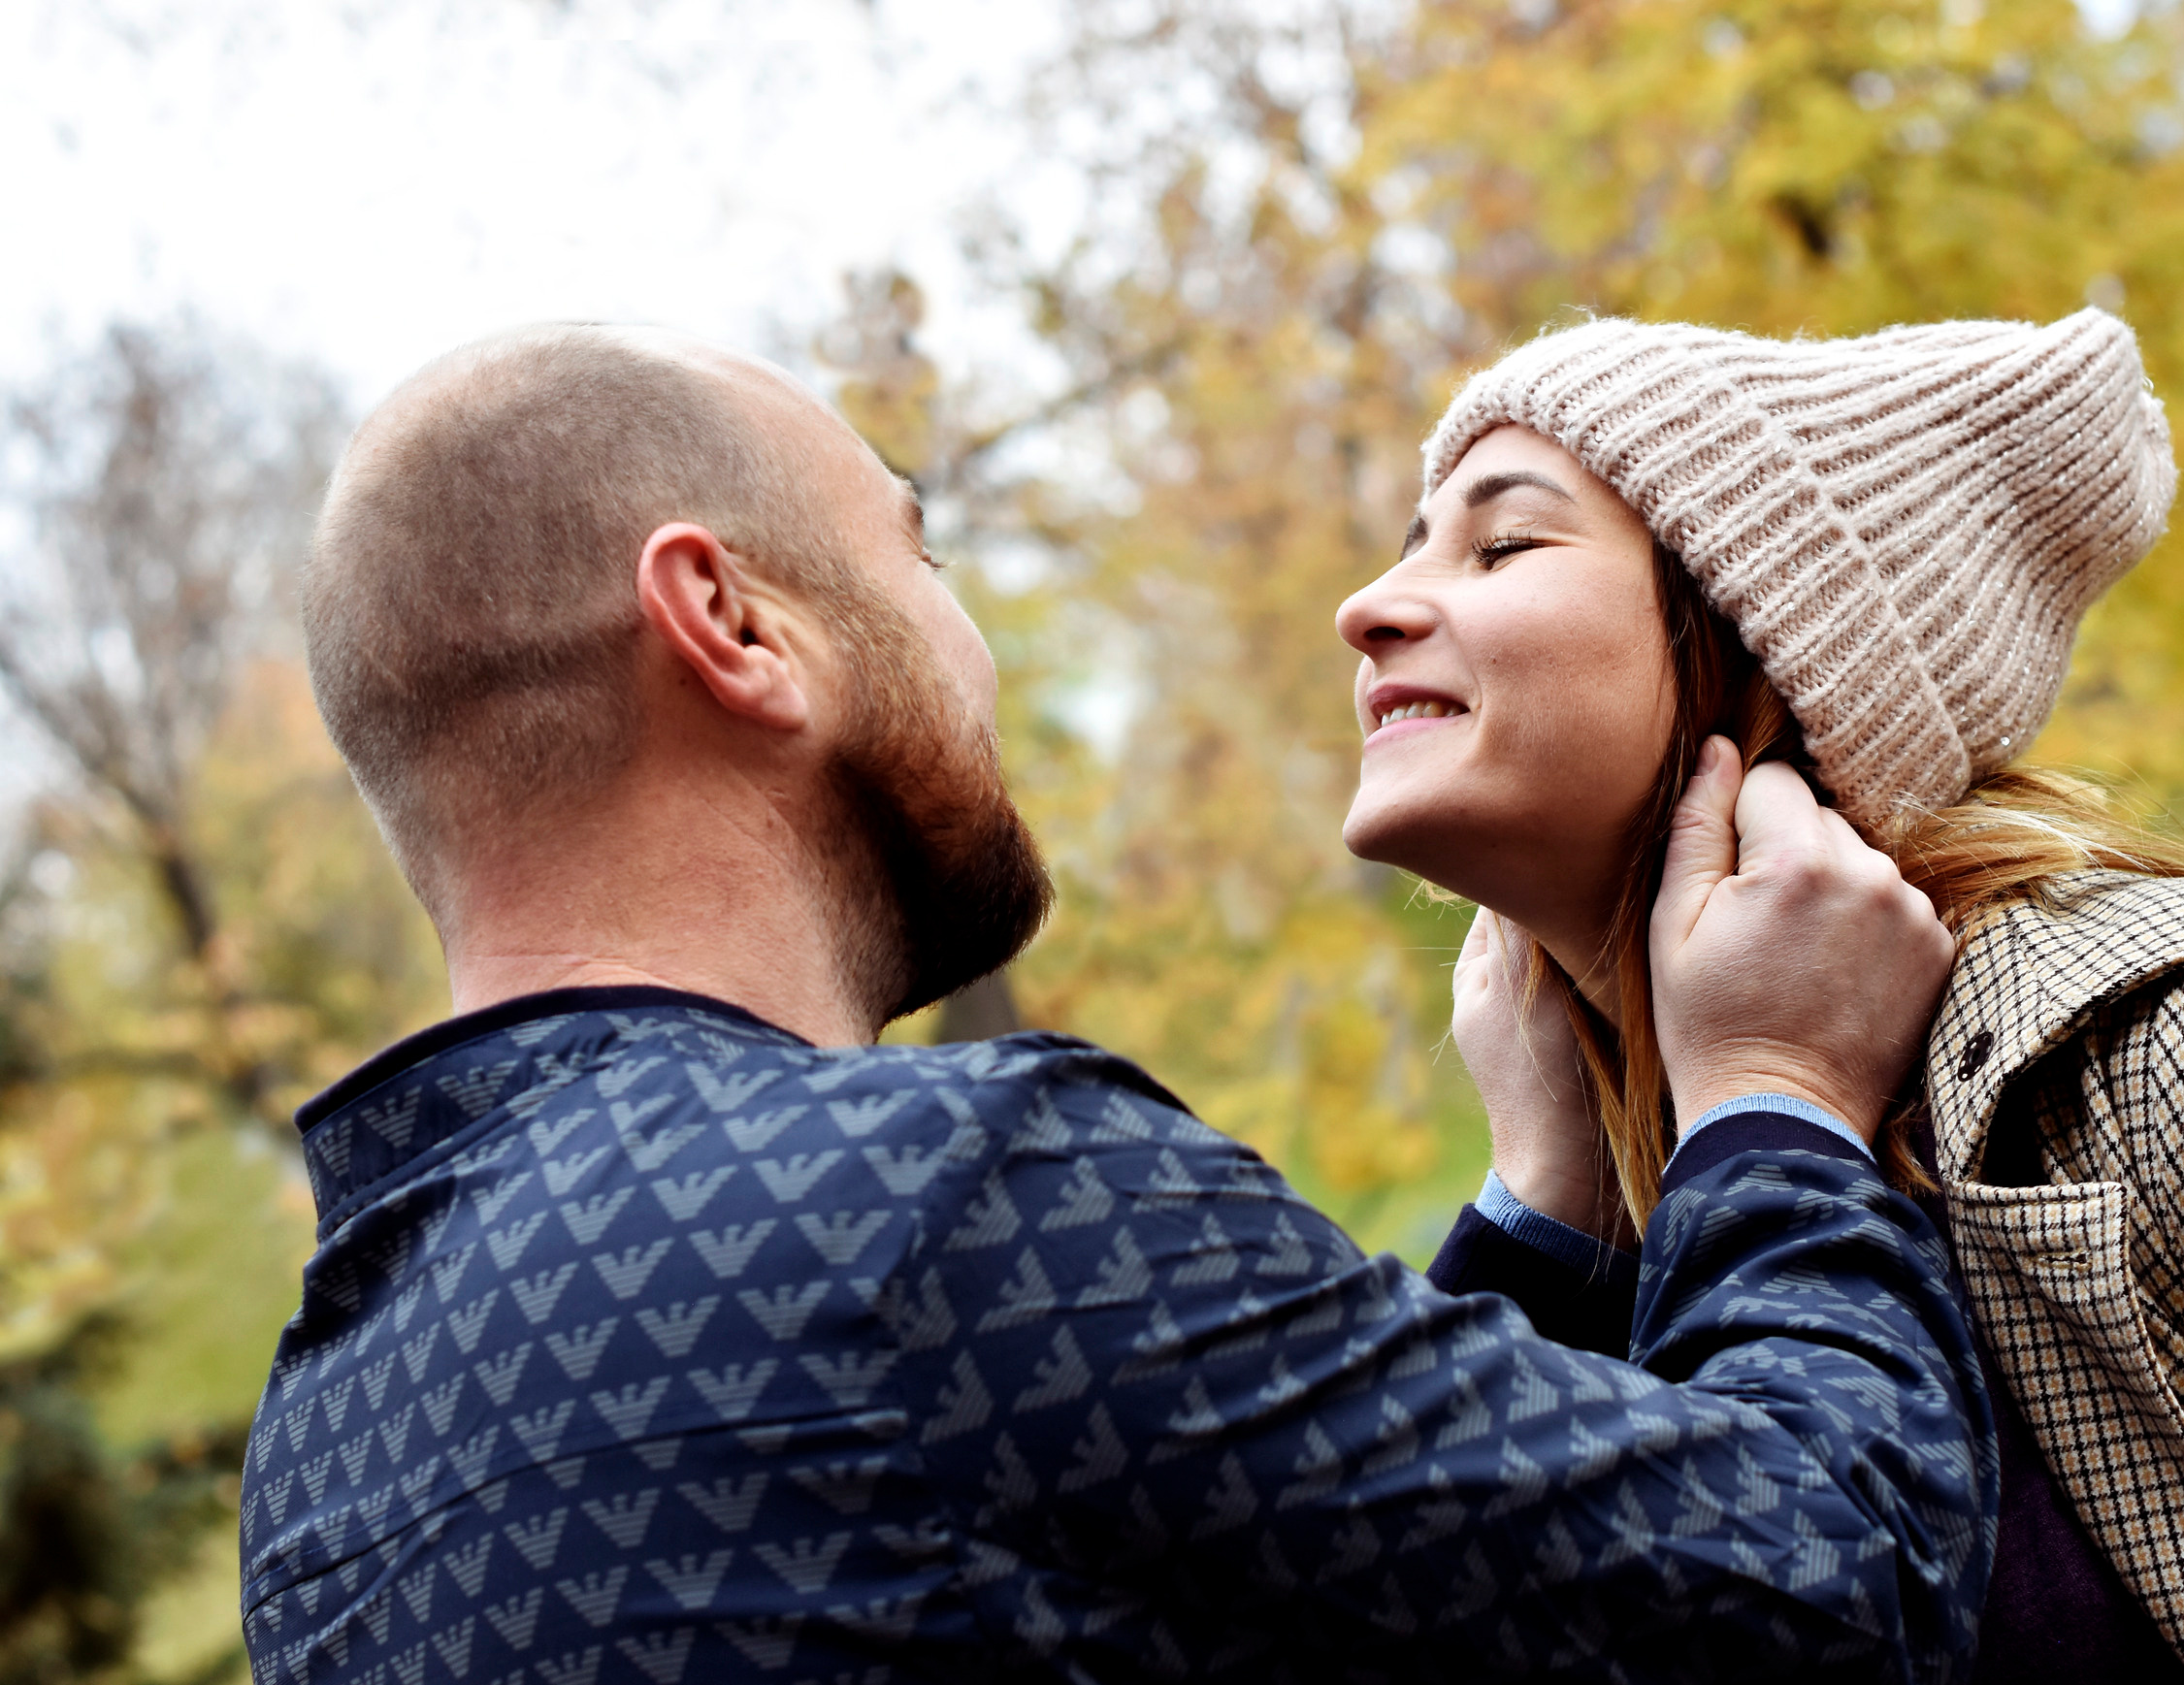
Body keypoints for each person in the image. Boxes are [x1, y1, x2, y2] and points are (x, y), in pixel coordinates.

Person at [238, 324, 1994, 1685]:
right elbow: (1829, 1589)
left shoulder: (319, 1462)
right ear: (730, 622)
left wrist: (1535, 1218)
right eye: (919, 560)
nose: (974, 650)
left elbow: (1336, 1605)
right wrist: (1773, 1098)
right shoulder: (946, 1210)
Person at [1338, 308, 2184, 1685]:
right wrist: (1540, 1214)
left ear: (1765, 643)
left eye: (1503, 542)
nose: (1372, 603)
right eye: (1413, 543)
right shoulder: (1606, 1193)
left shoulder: (2172, 1028)